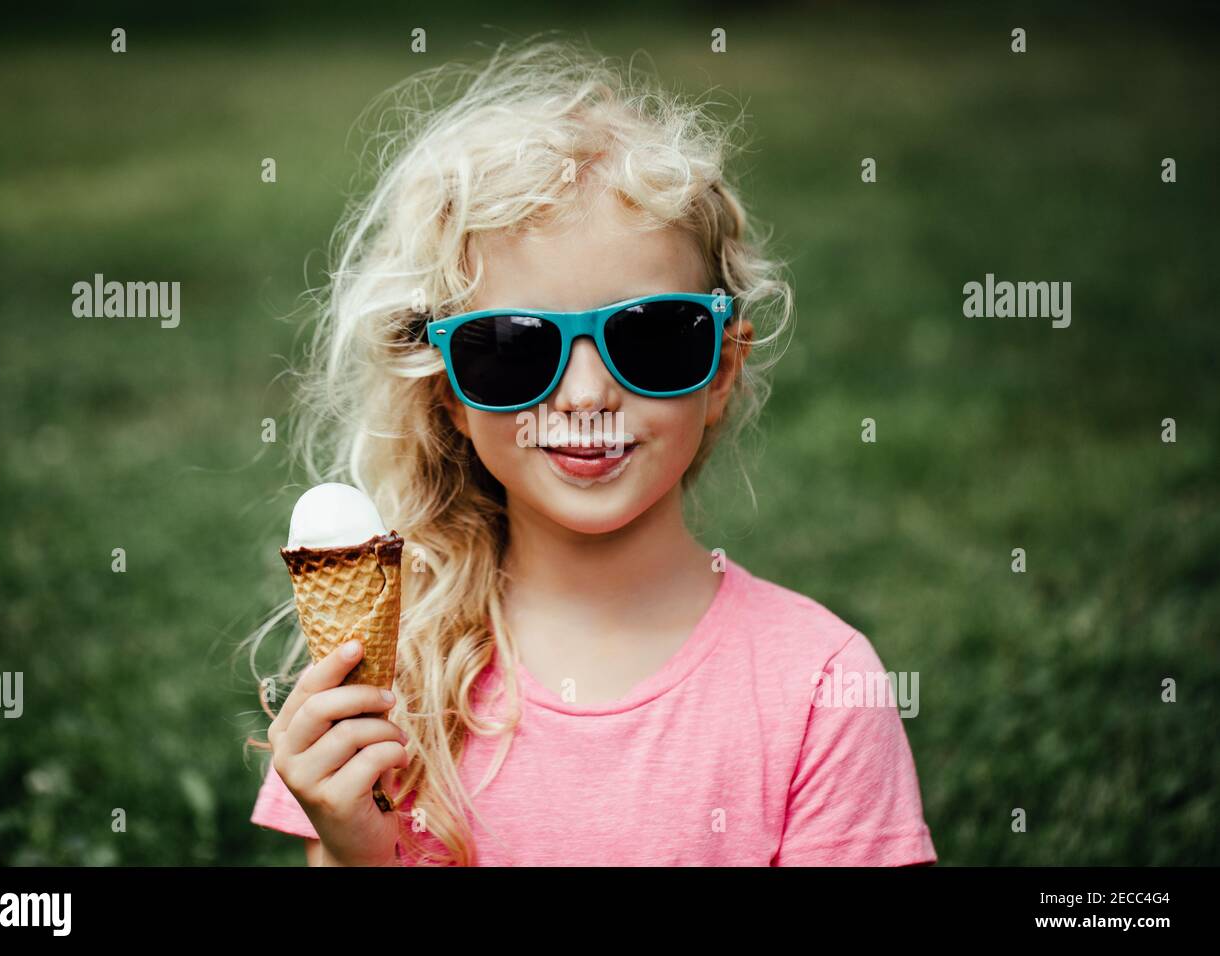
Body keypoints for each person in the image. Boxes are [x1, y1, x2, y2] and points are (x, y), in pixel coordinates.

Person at [245, 38, 937, 867]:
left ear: (722, 369)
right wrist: (359, 851)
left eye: (647, 338)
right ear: (450, 398)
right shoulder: (392, 685)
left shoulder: (822, 690)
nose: (583, 395)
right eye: (512, 347)